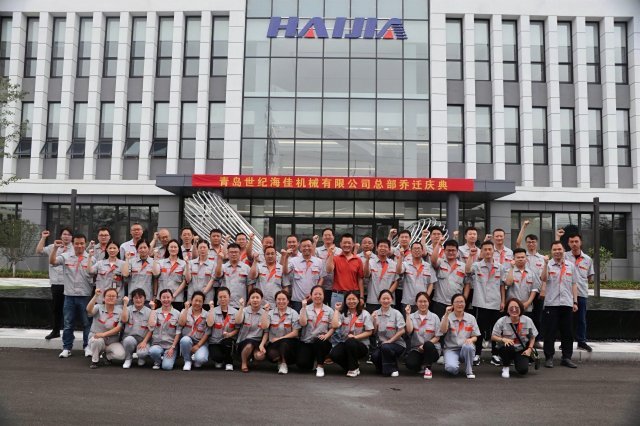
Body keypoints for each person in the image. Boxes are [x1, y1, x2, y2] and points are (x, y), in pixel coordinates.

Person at [49, 233, 94, 358]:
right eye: (77, 243)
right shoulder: (66, 256)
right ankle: (67, 348)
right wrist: (55, 248)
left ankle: (87, 347)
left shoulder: (91, 258)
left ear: (85, 244)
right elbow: (52, 261)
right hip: (69, 296)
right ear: (73, 244)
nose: (79, 246)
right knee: (68, 323)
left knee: (87, 323)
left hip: (85, 296)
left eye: (82, 243)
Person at [466, 240, 505, 366]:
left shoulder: (500, 267)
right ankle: (477, 353)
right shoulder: (477, 265)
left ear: (493, 251)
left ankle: (495, 354)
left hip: (495, 302)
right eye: (485, 249)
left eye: (490, 249)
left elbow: (502, 286)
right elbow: (467, 270)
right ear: (481, 251)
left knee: (495, 330)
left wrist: (503, 301)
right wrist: (471, 255)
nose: (488, 251)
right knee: (479, 329)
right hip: (480, 302)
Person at [541, 240, 579, 368]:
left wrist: (575, 302)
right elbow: (543, 279)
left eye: (559, 249)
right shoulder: (548, 265)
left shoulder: (570, 266)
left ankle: (566, 358)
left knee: (567, 332)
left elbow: (574, 284)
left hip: (567, 304)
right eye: (555, 249)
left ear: (564, 251)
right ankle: (549, 357)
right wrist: (545, 264)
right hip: (551, 304)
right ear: (551, 251)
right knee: (550, 332)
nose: (557, 251)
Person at [36, 227, 73, 340]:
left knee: (69, 310)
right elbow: (39, 250)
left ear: (72, 237)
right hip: (56, 283)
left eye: (69, 234)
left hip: (70, 283)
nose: (66, 236)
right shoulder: (53, 247)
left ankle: (69, 332)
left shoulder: (75, 248)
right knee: (57, 308)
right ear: (60, 236)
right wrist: (43, 238)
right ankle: (56, 331)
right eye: (64, 234)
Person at [329, 291, 374, 377]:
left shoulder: (365, 314)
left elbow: (369, 332)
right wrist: (336, 310)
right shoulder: (343, 314)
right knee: (334, 354)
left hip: (361, 345)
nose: (351, 301)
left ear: (358, 300)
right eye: (349, 299)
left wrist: (355, 337)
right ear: (345, 301)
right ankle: (353, 366)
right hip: (345, 343)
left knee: (351, 341)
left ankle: (352, 369)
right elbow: (334, 325)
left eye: (354, 299)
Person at [491, 298, 538, 378]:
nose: (514, 310)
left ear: (521, 309)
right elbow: (493, 337)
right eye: (511, 308)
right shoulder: (501, 321)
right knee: (508, 347)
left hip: (520, 349)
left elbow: (532, 337)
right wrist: (503, 339)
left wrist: (529, 349)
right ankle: (506, 367)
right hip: (506, 348)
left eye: (517, 307)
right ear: (507, 310)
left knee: (523, 370)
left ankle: (517, 361)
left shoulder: (528, 320)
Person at [564, 232, 594, 352]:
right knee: (567, 320)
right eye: (571, 242)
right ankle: (566, 342)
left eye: (576, 241)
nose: (574, 244)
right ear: (568, 243)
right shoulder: (564, 256)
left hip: (581, 293)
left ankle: (581, 341)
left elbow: (590, 277)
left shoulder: (587, 259)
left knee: (581, 319)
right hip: (567, 293)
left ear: (580, 242)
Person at [439, 294, 480, 379]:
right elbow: (443, 330)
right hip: (451, 349)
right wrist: (446, 314)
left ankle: (469, 371)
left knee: (469, 346)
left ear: (465, 304)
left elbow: (475, 336)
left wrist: (471, 340)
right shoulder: (447, 316)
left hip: (465, 348)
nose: (459, 304)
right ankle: (454, 363)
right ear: (452, 304)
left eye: (462, 302)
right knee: (451, 369)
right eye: (457, 302)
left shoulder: (471, 318)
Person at [297, 286, 335, 377]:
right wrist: (303, 307)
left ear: (324, 296)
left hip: (322, 341)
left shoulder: (329, 310)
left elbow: (333, 327)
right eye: (315, 294)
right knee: (302, 364)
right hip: (307, 341)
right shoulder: (306, 308)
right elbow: (302, 323)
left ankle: (320, 365)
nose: (317, 296)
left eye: (320, 294)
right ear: (311, 295)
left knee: (320, 342)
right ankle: (313, 360)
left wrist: (327, 335)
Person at [260, 291, 300, 374]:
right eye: (279, 299)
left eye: (283, 299)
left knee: (283, 344)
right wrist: (262, 344)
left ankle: (284, 364)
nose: (281, 301)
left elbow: (295, 333)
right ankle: (280, 361)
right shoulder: (270, 313)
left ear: (288, 301)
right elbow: (265, 328)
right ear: (275, 301)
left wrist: (280, 338)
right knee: (271, 355)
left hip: (289, 343)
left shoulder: (293, 313)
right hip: (274, 343)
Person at [85, 288, 126, 369]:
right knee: (97, 341)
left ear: (117, 299)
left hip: (111, 341)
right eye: (108, 296)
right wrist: (96, 296)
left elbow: (118, 328)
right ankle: (95, 360)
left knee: (122, 355)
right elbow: (89, 310)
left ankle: (106, 356)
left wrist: (103, 334)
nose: (111, 298)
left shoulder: (120, 311)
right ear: (104, 298)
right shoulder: (98, 307)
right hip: (96, 338)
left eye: (113, 296)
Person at [405, 292, 441, 379]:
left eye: (425, 301)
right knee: (410, 364)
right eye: (420, 301)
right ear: (416, 303)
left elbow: (437, 337)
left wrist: (424, 346)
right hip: (417, 349)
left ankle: (428, 368)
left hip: (432, 349)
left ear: (429, 302)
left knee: (428, 345)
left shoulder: (435, 317)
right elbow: (409, 331)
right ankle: (421, 364)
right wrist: (407, 315)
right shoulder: (412, 316)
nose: (423, 304)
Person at [430, 239, 468, 319]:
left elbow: (467, 284)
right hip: (439, 302)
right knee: (439, 325)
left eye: (453, 250)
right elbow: (433, 260)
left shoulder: (463, 266)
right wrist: (438, 244)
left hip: (456, 304)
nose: (451, 252)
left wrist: (463, 300)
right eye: (448, 250)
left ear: (457, 251)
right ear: (444, 251)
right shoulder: (440, 263)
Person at [371, 290, 406, 377]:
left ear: (392, 300)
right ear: (379, 300)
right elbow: (373, 332)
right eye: (383, 299)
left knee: (386, 347)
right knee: (374, 356)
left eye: (388, 298)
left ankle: (392, 369)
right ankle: (389, 366)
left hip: (397, 344)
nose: (386, 301)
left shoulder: (397, 313)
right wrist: (375, 321)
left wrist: (390, 341)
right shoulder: (375, 313)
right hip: (382, 344)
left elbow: (402, 331)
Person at [283, 238, 324, 312]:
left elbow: (321, 278)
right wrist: (286, 257)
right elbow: (285, 272)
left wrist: (314, 293)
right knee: (297, 318)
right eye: (304, 246)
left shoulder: (319, 261)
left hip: (313, 299)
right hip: (297, 301)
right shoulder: (293, 261)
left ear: (312, 247)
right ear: (300, 248)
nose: (306, 248)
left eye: (309, 246)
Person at [326, 234, 365, 309]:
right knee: (336, 315)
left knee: (353, 315)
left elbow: (360, 279)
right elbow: (329, 270)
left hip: (353, 295)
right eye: (344, 243)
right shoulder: (335, 258)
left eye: (349, 243)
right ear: (340, 244)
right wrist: (331, 254)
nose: (347, 245)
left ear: (353, 244)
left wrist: (361, 297)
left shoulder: (358, 260)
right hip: (338, 295)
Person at [147, 289, 181, 370]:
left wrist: (172, 347)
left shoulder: (177, 313)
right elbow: (151, 326)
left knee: (167, 367)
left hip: (170, 346)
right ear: (160, 299)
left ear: (172, 298)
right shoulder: (155, 312)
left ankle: (166, 358)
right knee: (153, 351)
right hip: (157, 344)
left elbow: (178, 332)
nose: (166, 300)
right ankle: (158, 361)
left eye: (168, 297)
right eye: (163, 297)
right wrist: (152, 309)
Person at [396, 241, 435, 312]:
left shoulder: (428, 266)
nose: (417, 250)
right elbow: (398, 271)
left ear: (422, 251)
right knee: (407, 319)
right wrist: (401, 256)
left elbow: (431, 283)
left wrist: (426, 297)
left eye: (418, 248)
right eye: (414, 248)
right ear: (411, 251)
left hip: (422, 303)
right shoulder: (406, 264)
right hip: (407, 302)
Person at [235, 288, 267, 372]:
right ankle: (244, 363)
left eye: (257, 297)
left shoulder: (265, 313)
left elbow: (266, 332)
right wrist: (241, 307)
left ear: (261, 299)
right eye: (253, 297)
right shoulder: (244, 310)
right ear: (249, 299)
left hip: (258, 341)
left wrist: (262, 345)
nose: (255, 300)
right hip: (244, 340)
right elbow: (238, 321)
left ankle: (254, 359)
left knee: (260, 356)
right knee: (249, 345)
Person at [89, 240, 130, 304]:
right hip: (102, 298)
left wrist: (127, 259)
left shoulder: (123, 264)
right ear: (106, 250)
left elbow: (125, 274)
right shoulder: (100, 263)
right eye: (110, 248)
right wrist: (90, 257)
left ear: (118, 250)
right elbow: (90, 271)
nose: (112, 250)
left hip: (117, 299)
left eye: (114, 248)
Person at [207, 287, 238, 371]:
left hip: (228, 339)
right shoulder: (213, 311)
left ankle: (229, 362)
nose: (222, 299)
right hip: (215, 341)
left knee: (227, 343)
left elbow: (237, 328)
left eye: (225, 297)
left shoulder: (235, 312)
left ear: (229, 297)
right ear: (217, 298)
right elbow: (209, 324)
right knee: (216, 356)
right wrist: (211, 309)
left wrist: (230, 334)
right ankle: (220, 360)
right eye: (220, 297)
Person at [120, 288, 152, 369]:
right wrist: (125, 305)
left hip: (143, 340)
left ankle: (141, 357)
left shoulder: (149, 311)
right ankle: (128, 358)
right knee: (128, 340)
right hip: (130, 338)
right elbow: (124, 320)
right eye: (136, 298)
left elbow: (151, 329)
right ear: (132, 299)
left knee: (142, 353)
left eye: (140, 297)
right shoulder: (128, 309)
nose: (138, 300)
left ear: (145, 298)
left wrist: (144, 342)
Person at [153, 239, 190, 309]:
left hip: (177, 299)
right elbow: (155, 274)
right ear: (168, 248)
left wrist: (173, 295)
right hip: (162, 298)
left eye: (175, 247)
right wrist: (155, 258)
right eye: (171, 247)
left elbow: (185, 281)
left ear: (179, 249)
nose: (173, 249)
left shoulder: (184, 263)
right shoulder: (160, 262)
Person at [504, 248, 542, 315]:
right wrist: (512, 268)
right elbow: (508, 283)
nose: (520, 259)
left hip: (526, 307)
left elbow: (534, 289)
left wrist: (528, 303)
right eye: (518, 257)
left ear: (526, 258)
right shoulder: (508, 271)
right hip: (512, 307)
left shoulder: (531, 273)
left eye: (522, 257)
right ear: (514, 259)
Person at [363, 239, 398, 312]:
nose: (383, 248)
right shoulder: (370, 262)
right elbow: (366, 274)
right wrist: (367, 260)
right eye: (381, 246)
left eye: (385, 247)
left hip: (388, 300)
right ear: (376, 248)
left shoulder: (394, 264)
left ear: (389, 249)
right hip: (373, 300)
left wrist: (387, 294)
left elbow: (396, 281)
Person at [178, 291, 210, 370]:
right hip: (188, 340)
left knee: (201, 359)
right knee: (185, 340)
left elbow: (207, 332)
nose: (197, 303)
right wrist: (186, 309)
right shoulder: (184, 311)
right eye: (195, 300)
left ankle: (196, 359)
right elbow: (181, 323)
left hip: (201, 343)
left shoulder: (207, 314)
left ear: (203, 303)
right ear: (191, 300)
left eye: (200, 301)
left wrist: (198, 345)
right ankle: (187, 361)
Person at [215, 243, 251, 308]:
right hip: (224, 304)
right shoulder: (223, 267)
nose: (234, 254)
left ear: (240, 253)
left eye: (236, 252)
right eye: (231, 252)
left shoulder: (246, 268)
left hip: (240, 304)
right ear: (228, 254)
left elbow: (250, 285)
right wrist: (220, 260)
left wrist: (250, 299)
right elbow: (218, 275)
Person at [315, 228, 340, 305]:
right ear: (322, 237)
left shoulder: (340, 251)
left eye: (329, 235)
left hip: (335, 286)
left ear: (333, 237)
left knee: (335, 308)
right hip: (321, 285)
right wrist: (314, 243)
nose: (327, 237)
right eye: (325, 235)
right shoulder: (317, 250)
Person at [189, 240, 217, 304]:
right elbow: (188, 279)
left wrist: (202, 294)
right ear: (197, 249)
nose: (202, 249)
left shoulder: (213, 264)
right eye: (200, 247)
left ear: (209, 250)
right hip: (192, 295)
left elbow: (212, 280)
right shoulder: (191, 263)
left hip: (207, 296)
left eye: (204, 247)